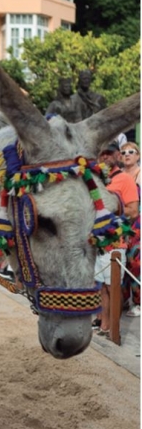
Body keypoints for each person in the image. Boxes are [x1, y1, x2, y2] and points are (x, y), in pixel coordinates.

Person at [93, 141, 139, 337]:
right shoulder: (97, 180)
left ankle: (114, 329)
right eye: (102, 153)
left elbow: (133, 210)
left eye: (109, 153)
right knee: (101, 287)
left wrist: (109, 210)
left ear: (117, 157)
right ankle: (104, 323)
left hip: (115, 241)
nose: (105, 156)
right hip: (96, 241)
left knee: (113, 286)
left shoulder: (125, 180)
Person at [120, 141, 140, 317]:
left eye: (131, 151)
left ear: (138, 155)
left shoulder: (140, 174)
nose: (127, 154)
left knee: (136, 263)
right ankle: (124, 299)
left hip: (138, 225)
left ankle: (138, 302)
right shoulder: (118, 175)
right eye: (124, 151)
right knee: (121, 262)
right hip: (121, 224)